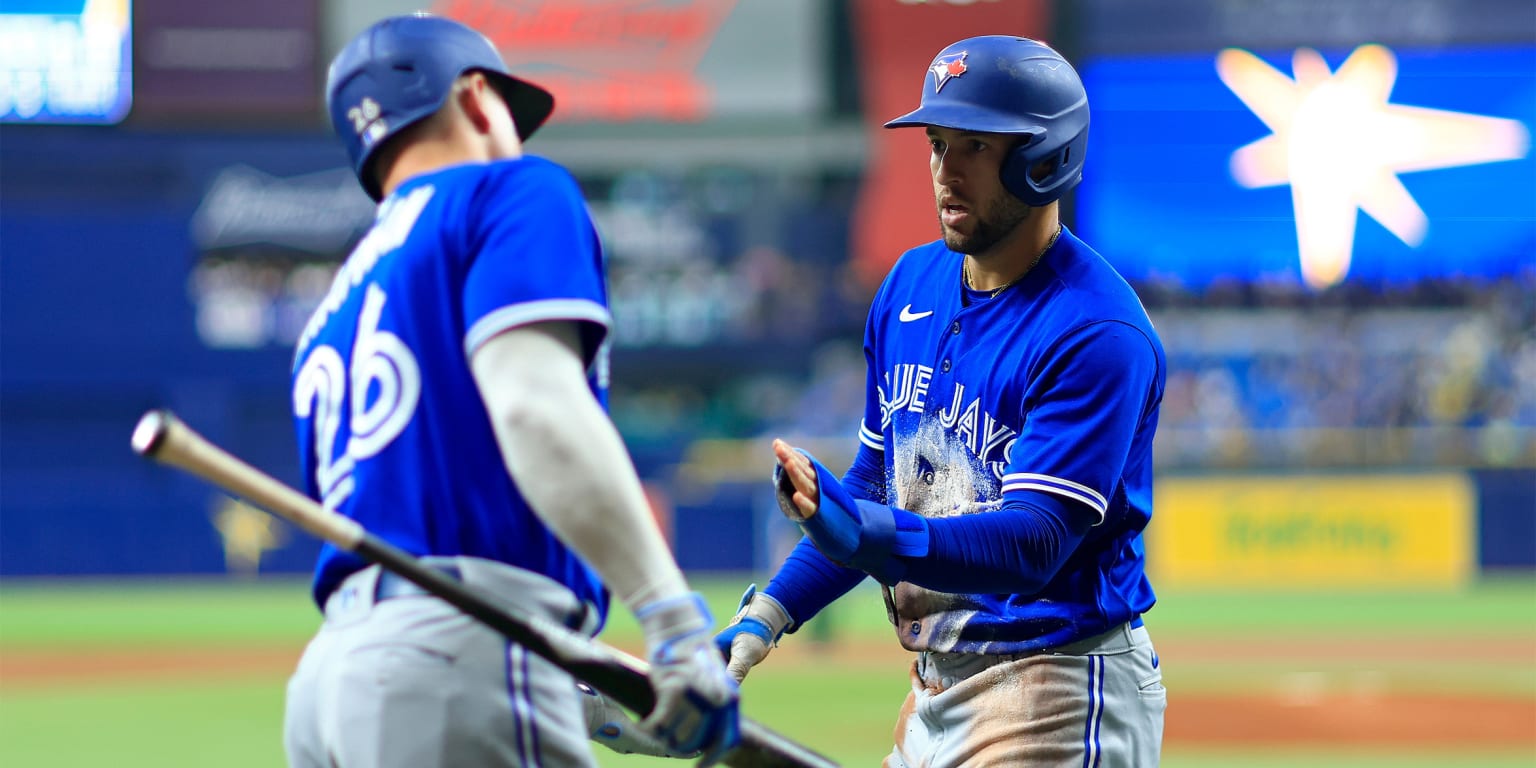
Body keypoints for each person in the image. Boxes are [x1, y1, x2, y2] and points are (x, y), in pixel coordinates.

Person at [283, 14, 738, 767]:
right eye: (507, 107)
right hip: (456, 655)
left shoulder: (333, 310)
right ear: (472, 96)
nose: (519, 139)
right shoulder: (510, 192)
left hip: (332, 686)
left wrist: (571, 687)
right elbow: (535, 410)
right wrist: (672, 623)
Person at [717, 35, 1167, 766]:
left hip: (1056, 686)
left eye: (975, 147)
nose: (945, 172)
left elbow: (1034, 543)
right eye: (936, 144)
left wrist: (868, 534)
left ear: (1044, 158)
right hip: (935, 684)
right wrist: (769, 614)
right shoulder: (908, 286)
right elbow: (876, 483)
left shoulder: (1094, 329)